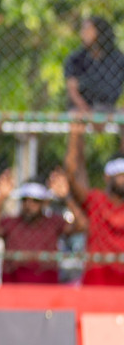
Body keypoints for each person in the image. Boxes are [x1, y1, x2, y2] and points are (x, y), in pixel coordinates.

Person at [0, 169, 86, 285]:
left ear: (44, 202)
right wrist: (0, 199)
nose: (28, 205)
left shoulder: (53, 223)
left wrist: (67, 197)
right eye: (25, 200)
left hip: (46, 292)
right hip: (13, 292)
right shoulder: (11, 223)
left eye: (35, 201)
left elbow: (82, 225)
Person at [64, 120, 124, 285]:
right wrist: (75, 136)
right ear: (107, 177)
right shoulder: (95, 200)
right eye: (120, 174)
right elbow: (71, 175)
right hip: (96, 286)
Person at [63, 16, 124, 120]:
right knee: (76, 120)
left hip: (108, 106)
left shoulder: (117, 58)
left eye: (88, 29)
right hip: (81, 107)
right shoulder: (76, 58)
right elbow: (72, 89)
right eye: (82, 29)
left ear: (100, 31)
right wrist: (85, 109)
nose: (83, 33)